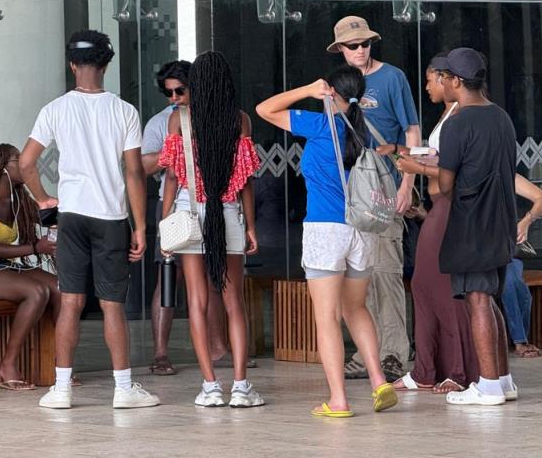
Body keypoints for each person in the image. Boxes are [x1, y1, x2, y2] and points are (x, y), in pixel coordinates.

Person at [19, 29, 159, 410]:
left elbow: (25, 163)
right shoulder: (123, 110)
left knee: (70, 303)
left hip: (71, 216)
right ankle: (124, 389)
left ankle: (61, 389)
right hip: (110, 216)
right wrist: (141, 226)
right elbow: (133, 173)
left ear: (72, 65)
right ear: (106, 64)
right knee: (112, 304)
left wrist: (44, 198)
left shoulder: (55, 109)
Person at [257, 65, 398, 418]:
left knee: (327, 318)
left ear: (331, 92)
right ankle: (379, 380)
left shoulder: (320, 125)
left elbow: (265, 109)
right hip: (361, 231)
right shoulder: (364, 132)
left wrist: (307, 88)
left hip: (325, 230)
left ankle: (339, 400)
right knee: (356, 309)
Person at [157, 51, 264, 407]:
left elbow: (172, 176)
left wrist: (164, 223)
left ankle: (210, 387)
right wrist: (250, 226)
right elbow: (246, 181)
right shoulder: (240, 120)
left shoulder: (179, 121)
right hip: (229, 213)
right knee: (234, 304)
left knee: (198, 303)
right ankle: (241, 386)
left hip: (189, 215)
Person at [381, 53, 480, 395]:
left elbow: (458, 168)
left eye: (428, 80)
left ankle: (458, 369)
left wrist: (416, 169)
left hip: (452, 208)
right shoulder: (448, 115)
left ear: (444, 78)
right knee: (423, 285)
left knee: (444, 288)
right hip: (439, 206)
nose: (426, 87)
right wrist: (402, 151)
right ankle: (425, 368)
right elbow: (438, 157)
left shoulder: (464, 116)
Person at [328, 16, 419, 383]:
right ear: (340, 50)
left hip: (385, 190)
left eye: (365, 43)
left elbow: (411, 130)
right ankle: (368, 352)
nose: (361, 50)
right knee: (356, 277)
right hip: (351, 194)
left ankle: (394, 353)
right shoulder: (335, 86)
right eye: (353, 45)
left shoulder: (392, 78)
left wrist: (406, 183)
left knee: (385, 273)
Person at [141, 60, 239, 375]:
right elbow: (149, 167)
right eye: (168, 92)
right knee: (169, 278)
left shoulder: (220, 118)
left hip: (201, 204)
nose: (174, 98)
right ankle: (160, 352)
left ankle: (219, 348)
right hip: (176, 207)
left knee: (213, 281)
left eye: (179, 90)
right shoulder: (164, 122)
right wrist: (178, 149)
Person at [436, 48, 518, 406]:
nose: (442, 83)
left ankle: (487, 385)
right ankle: (502, 381)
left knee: (478, 299)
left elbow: (444, 185)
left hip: (472, 223)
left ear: (455, 81)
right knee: (491, 299)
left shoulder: (457, 123)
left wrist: (422, 169)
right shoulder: (502, 118)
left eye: (444, 78)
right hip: (501, 220)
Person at [0, 144, 61, 389]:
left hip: (4, 266)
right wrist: (35, 249)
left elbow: (45, 217)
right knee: (36, 291)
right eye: (19, 159)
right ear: (4, 167)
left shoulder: (19, 195)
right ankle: (8, 363)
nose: (26, 163)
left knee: (61, 288)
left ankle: (59, 365)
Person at [503, 177, 542, 358]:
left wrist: (525, 222)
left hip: (504, 250)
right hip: (474, 250)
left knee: (514, 283)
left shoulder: (506, 173)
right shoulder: (465, 172)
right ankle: (520, 340)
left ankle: (520, 340)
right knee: (507, 281)